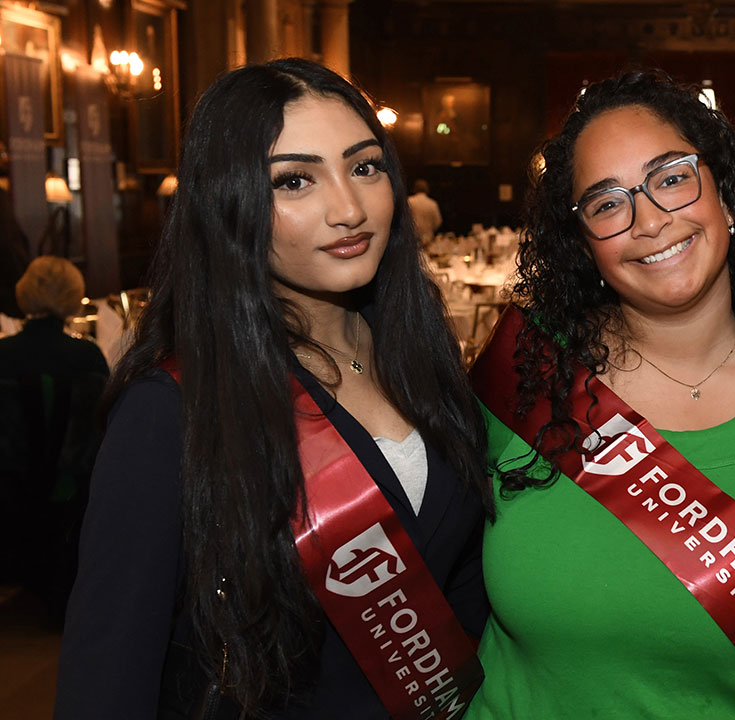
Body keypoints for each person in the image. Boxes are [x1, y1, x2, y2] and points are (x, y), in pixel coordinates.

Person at [55, 59, 491, 719]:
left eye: (365, 167)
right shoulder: (172, 407)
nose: (348, 209)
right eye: (295, 180)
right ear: (229, 202)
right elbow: (107, 676)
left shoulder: (421, 361)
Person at [465, 70, 735, 718]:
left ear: (727, 195)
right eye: (606, 203)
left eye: (672, 177)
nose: (649, 220)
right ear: (585, 246)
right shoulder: (520, 382)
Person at [0, 256, 108, 623]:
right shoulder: (87, 357)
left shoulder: (3, 356)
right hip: (71, 495)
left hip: (10, 492)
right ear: (73, 296)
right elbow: (101, 434)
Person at [408, 178, 443, 243]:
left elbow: (404, 221)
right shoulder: (432, 203)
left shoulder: (410, 201)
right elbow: (438, 222)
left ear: (414, 188)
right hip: (429, 239)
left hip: (413, 239)